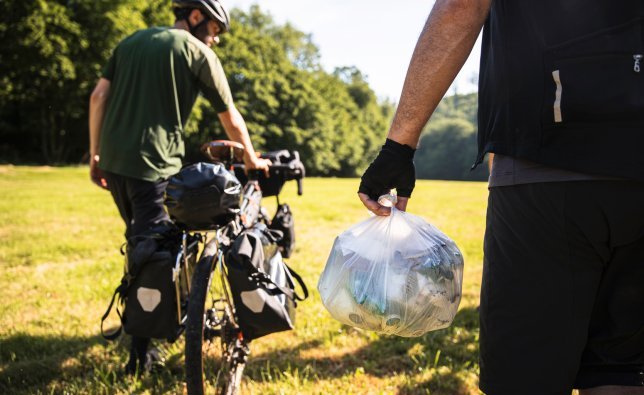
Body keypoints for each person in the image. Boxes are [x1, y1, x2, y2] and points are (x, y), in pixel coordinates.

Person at [358, 1, 644, 394]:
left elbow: (462, 6)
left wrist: (399, 147)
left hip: (547, 162)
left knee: (524, 377)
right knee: (622, 370)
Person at [88, 0, 270, 375]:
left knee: (140, 241)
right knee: (153, 252)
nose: (216, 40)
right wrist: (253, 160)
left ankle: (154, 321)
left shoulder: (130, 42)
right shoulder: (196, 51)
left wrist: (95, 155)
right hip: (154, 164)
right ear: (196, 16)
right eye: (216, 30)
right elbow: (230, 118)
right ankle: (140, 355)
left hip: (114, 163)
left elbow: (98, 97)